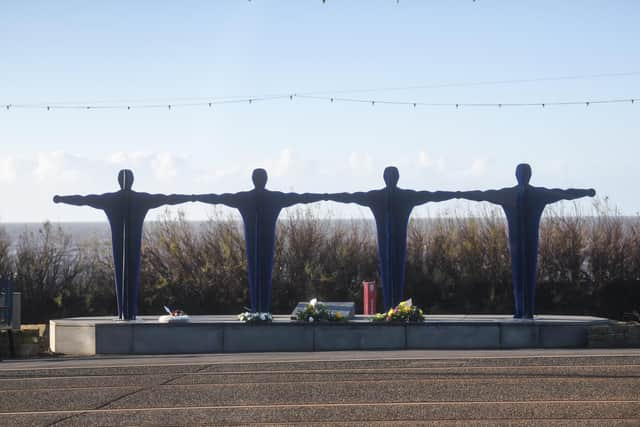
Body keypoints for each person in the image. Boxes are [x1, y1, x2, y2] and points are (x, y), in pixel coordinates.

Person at [458, 163, 595, 318]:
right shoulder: (528, 194)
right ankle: (523, 310)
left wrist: (586, 192)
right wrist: (458, 194)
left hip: (524, 242)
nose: (522, 177)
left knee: (523, 273)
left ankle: (525, 310)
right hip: (522, 242)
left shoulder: (520, 194)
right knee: (521, 273)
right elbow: (564, 193)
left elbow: (564, 193)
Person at [53, 169, 194, 320]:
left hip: (119, 245)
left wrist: (61, 199)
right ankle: (128, 314)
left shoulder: (110, 199)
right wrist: (193, 197)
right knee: (130, 271)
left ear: (119, 181)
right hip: (132, 245)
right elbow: (168, 198)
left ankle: (125, 314)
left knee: (122, 271)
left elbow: (84, 199)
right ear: (132, 181)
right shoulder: (141, 199)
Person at [325, 166, 460, 310]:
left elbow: (350, 197)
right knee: (393, 272)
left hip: (392, 243)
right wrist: (459, 194)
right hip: (394, 243)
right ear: (397, 178)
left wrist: (325, 197)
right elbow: (433, 195)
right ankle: (392, 309)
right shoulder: (405, 196)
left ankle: (392, 309)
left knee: (391, 271)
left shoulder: (377, 196)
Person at [194, 168, 326, 313]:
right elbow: (303, 197)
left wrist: (191, 198)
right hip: (266, 244)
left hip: (255, 244)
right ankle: (261, 312)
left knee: (256, 273)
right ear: (266, 179)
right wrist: (328, 196)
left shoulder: (243, 198)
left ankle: (260, 312)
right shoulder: (275, 197)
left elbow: (217, 198)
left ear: (253, 179)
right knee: (263, 274)